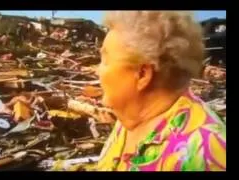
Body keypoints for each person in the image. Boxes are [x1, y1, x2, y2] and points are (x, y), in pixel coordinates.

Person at [95, 11, 226, 171]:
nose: (97, 71)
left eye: (105, 61)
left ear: (142, 74)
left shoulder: (205, 155)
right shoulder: (130, 116)